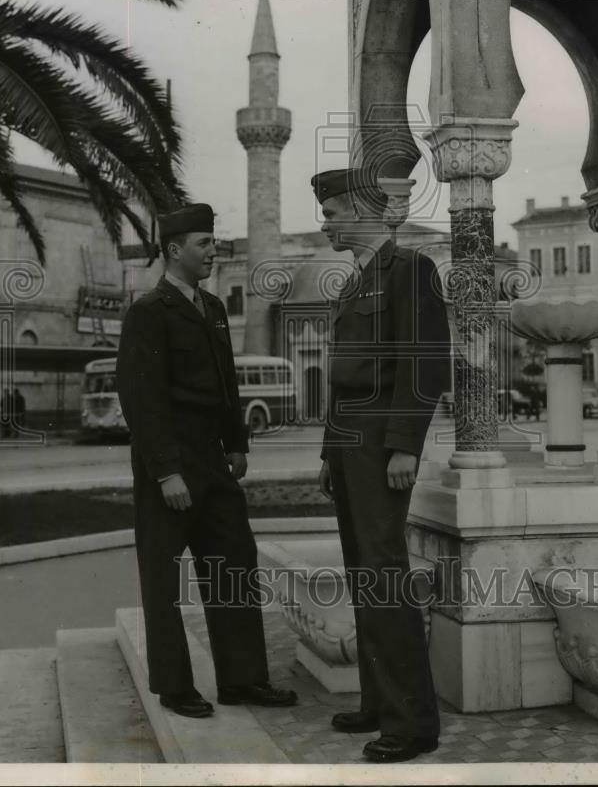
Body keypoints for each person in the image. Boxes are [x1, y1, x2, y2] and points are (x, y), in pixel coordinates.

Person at [116, 203, 297, 719]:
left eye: (213, 242)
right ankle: (175, 687)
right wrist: (167, 470)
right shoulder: (149, 312)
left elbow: (226, 383)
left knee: (234, 565)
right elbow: (141, 398)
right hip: (169, 467)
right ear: (174, 251)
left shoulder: (213, 308)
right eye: (203, 243)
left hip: (214, 463)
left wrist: (237, 442)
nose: (213, 249)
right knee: (165, 579)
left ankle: (243, 680)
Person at [311, 167, 451, 764]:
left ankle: (412, 721)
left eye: (334, 212)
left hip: (380, 443)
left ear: (365, 211)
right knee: (362, 574)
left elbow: (423, 364)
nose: (327, 222)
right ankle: (377, 700)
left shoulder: (410, 270)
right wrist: (327, 453)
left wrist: (404, 444)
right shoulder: (354, 284)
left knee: (385, 575)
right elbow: (342, 383)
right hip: (350, 445)